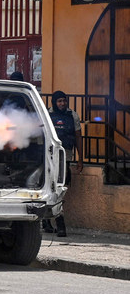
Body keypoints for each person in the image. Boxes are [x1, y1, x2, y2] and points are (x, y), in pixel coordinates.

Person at [45, 90, 83, 237]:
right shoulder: (47, 114)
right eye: (59, 101)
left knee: (61, 188)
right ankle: (53, 222)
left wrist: (80, 158)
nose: (62, 104)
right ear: (55, 102)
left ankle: (55, 220)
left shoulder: (72, 115)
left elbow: (78, 137)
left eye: (64, 101)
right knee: (50, 187)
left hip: (65, 157)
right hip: (49, 157)